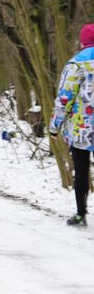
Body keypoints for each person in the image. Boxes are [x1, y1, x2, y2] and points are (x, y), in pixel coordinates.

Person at [50, 23, 94, 226]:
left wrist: (54, 125)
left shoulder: (76, 64)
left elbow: (65, 98)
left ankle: (80, 213)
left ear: (83, 41)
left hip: (81, 129)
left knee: (82, 170)